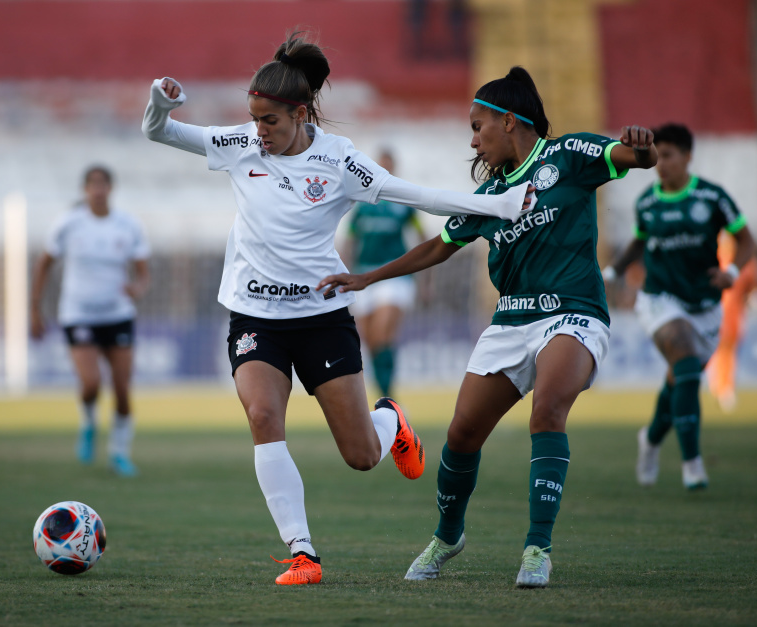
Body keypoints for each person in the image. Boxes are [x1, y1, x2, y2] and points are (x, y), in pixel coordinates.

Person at [141, 32, 535, 585]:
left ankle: (388, 420)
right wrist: (162, 101)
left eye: (270, 122)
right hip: (255, 317)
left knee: (360, 456)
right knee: (261, 417)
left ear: (300, 114)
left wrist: (494, 204)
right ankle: (303, 553)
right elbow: (158, 131)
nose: (259, 132)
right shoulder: (240, 146)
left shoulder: (341, 161)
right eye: (253, 120)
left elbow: (412, 194)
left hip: (322, 317)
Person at [319, 66, 657, 588]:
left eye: (478, 126)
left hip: (573, 310)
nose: (473, 138)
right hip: (511, 319)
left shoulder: (568, 156)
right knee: (461, 435)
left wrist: (643, 147)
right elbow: (438, 246)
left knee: (548, 410)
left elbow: (631, 157)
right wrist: (367, 278)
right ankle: (448, 536)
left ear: (509, 120)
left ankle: (537, 548)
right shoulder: (490, 193)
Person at [603, 123, 756, 490]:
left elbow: (745, 240)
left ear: (688, 156)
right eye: (659, 155)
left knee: (680, 379)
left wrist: (732, 271)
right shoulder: (648, 203)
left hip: (705, 304)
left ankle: (651, 439)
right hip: (659, 300)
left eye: (669, 154)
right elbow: (638, 245)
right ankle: (693, 464)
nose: (661, 163)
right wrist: (610, 273)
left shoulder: (712, 197)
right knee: (686, 362)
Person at [30, 165, 151, 477]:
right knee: (91, 383)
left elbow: (143, 272)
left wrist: (137, 288)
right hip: (79, 314)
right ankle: (88, 423)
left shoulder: (128, 225)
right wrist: (35, 309)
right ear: (85, 190)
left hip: (118, 314)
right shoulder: (69, 223)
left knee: (122, 390)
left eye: (103, 184)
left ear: (111, 188)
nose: (98, 189)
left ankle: (120, 454)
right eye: (92, 184)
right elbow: (44, 265)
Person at [347, 149, 426, 398]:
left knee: (382, 335)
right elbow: (350, 240)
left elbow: (422, 238)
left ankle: (390, 400)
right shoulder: (361, 204)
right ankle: (387, 397)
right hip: (363, 277)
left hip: (394, 276)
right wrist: (344, 274)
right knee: (369, 342)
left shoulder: (404, 203)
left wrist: (425, 279)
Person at [707, 232, 757, 412]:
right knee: (717, 351)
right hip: (712, 313)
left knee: (728, 351)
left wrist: (755, 298)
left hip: (733, 316)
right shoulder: (712, 259)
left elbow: (753, 285)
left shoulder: (744, 262)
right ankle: (719, 385)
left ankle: (724, 387)